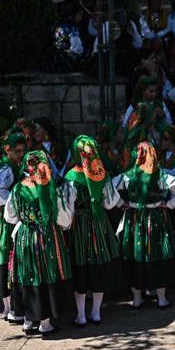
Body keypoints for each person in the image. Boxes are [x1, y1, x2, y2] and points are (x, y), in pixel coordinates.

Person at [4, 151, 75, 336]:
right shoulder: (51, 189)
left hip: (25, 236)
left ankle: (28, 321)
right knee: (46, 274)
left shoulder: (18, 188)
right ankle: (45, 324)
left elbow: (9, 216)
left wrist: (27, 220)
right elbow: (65, 220)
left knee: (28, 275)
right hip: (47, 237)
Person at [114, 142, 175, 308]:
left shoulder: (128, 176)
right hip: (156, 218)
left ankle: (137, 299)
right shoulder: (162, 175)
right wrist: (169, 204)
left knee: (135, 254)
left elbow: (108, 188)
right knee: (157, 253)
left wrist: (120, 203)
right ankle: (161, 299)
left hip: (134, 219)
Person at [62, 136, 123, 326]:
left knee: (80, 266)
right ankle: (95, 312)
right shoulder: (101, 174)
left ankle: (80, 315)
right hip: (98, 223)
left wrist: (66, 225)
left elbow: (66, 206)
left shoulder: (71, 177)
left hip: (79, 224)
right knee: (99, 263)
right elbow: (111, 202)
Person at [0, 133, 27, 320]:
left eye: (23, 151)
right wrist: (15, 201)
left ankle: (10, 309)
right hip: (5, 220)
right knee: (6, 261)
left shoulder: (15, 166)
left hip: (8, 217)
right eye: (18, 151)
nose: (21, 154)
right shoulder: (6, 169)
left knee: (8, 262)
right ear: (8, 151)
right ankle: (9, 308)